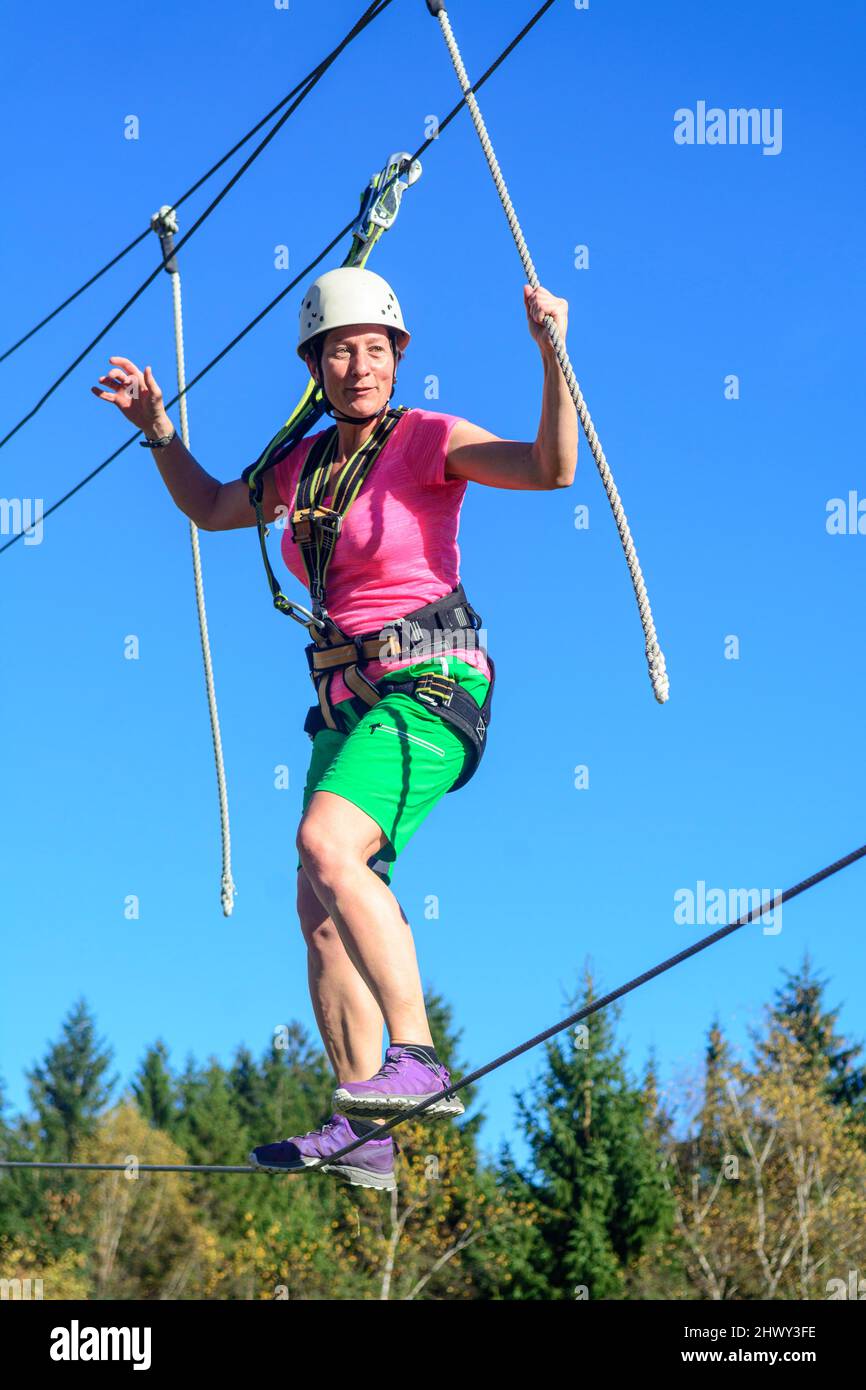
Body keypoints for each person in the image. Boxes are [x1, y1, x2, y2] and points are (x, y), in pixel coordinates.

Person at [91, 267, 577, 1191]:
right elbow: (213, 508)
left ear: (398, 358)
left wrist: (552, 353)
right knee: (319, 915)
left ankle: (420, 1059)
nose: (360, 365)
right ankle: (367, 1128)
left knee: (325, 843)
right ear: (316, 366)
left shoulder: (431, 439)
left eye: (376, 349)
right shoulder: (301, 463)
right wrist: (158, 430)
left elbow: (551, 470)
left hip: (433, 684)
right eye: (340, 351)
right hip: (348, 704)